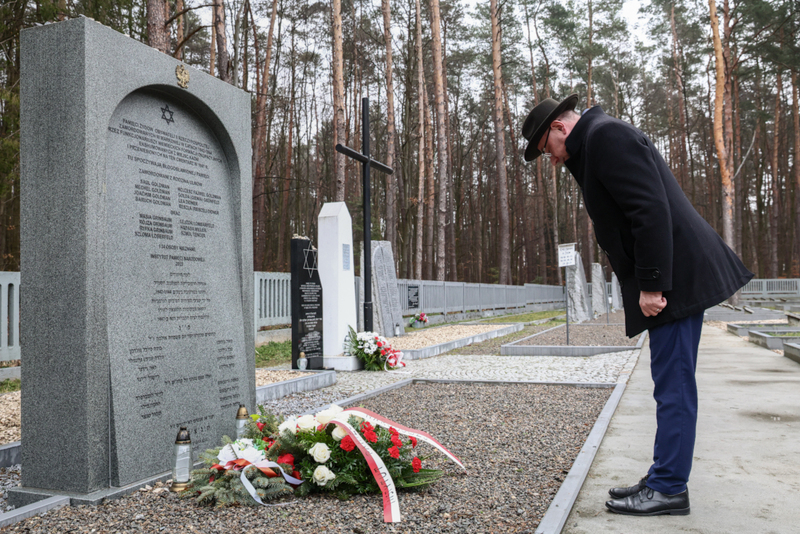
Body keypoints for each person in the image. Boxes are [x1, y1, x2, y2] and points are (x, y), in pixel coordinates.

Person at [521, 94, 753, 516]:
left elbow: (649, 211)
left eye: (546, 150)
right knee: (669, 382)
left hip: (674, 280)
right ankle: (663, 475)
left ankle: (669, 488)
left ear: (559, 128)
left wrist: (651, 285)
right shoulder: (598, 140)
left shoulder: (606, 137)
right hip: (672, 276)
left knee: (674, 385)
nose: (551, 161)